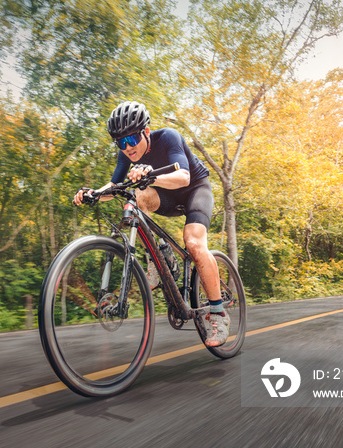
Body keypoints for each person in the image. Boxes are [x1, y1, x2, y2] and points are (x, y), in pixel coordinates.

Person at [73, 100, 230, 346]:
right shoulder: (126, 153)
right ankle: (158, 259)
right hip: (165, 196)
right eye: (120, 142)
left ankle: (218, 313)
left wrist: (150, 174)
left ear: (146, 132)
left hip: (194, 190)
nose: (127, 147)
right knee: (134, 196)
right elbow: (115, 187)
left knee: (194, 244)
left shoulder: (168, 137)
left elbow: (184, 176)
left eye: (132, 139)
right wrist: (93, 193)